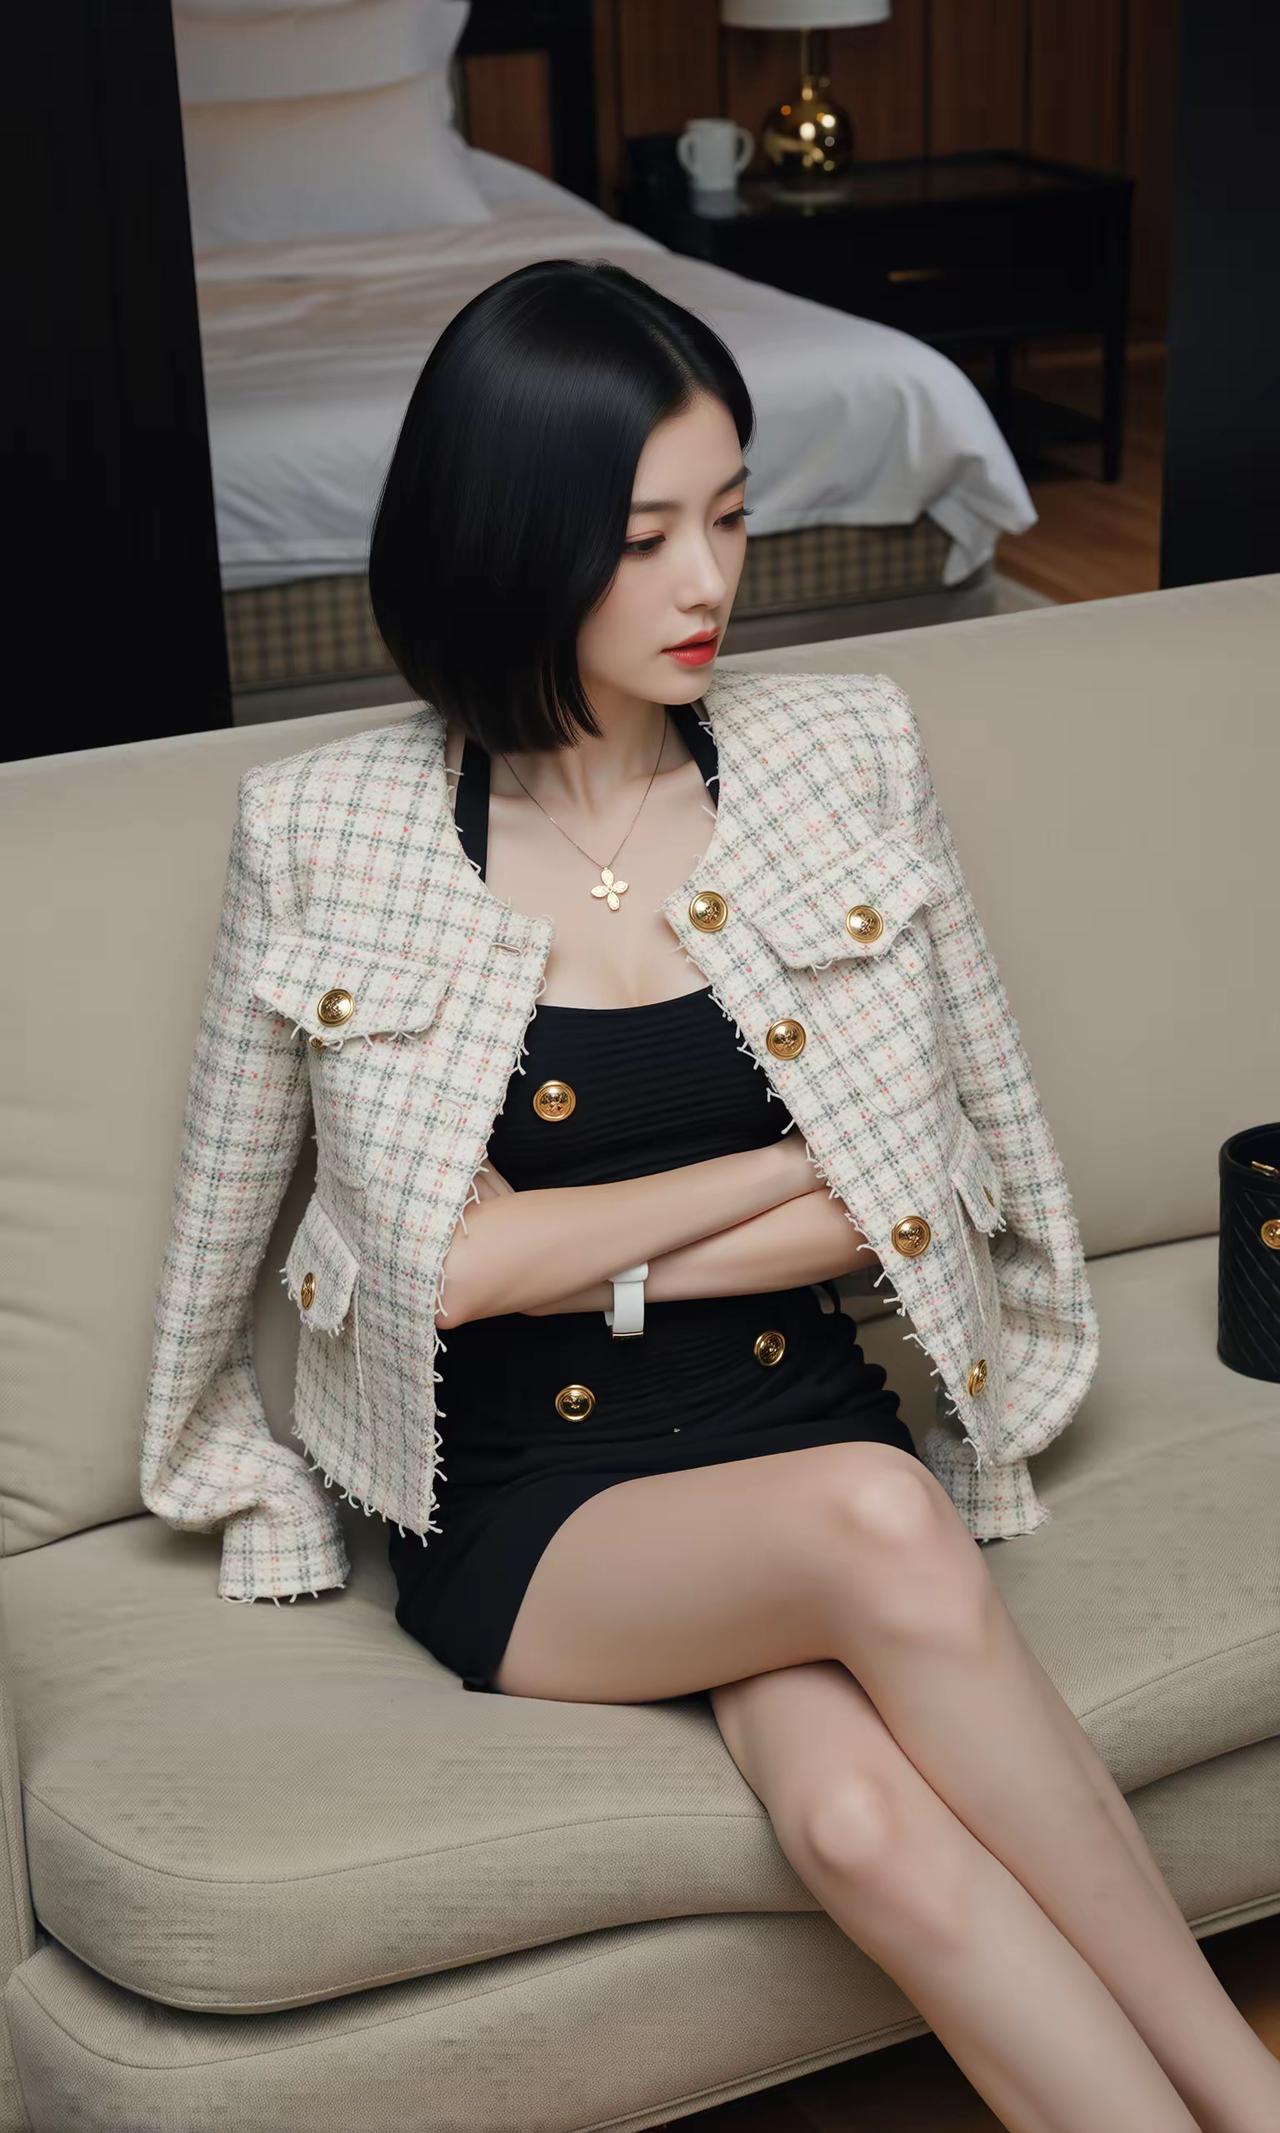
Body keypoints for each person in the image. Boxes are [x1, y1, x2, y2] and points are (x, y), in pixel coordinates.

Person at [363, 257, 1278, 2133]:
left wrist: (584, 1245)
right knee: (878, 1519)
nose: (709, 580)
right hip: (540, 1497)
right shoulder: (354, 837)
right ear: (513, 537)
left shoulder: (835, 757)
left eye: (730, 515)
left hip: (794, 1408)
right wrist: (782, 1161)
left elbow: (909, 1194)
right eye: (645, 538)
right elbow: (436, 1270)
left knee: (860, 1818)